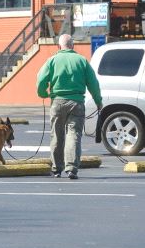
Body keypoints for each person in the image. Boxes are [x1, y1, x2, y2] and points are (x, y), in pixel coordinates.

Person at [36, 34, 102, 180]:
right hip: (77, 102)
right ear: (73, 46)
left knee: (57, 135)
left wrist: (43, 94)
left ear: (59, 47)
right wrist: (98, 101)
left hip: (57, 102)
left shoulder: (52, 60)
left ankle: (56, 169)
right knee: (74, 134)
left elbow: (40, 80)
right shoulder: (82, 60)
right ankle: (71, 168)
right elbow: (93, 84)